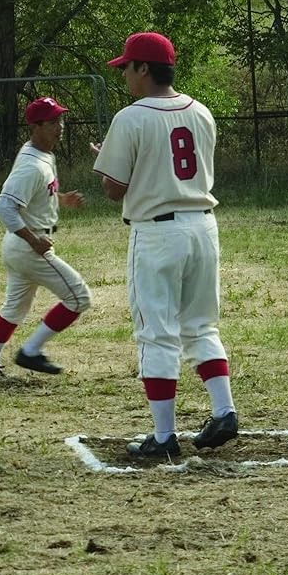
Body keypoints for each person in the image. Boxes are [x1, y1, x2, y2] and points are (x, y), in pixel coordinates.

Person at [93, 32, 238, 459]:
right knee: (200, 325)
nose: (124, 76)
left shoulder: (131, 117)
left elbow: (114, 189)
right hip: (203, 227)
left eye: (127, 68)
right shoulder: (202, 112)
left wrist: (109, 158)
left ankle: (163, 436)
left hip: (157, 232)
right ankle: (224, 409)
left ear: (144, 68)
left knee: (156, 333)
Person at [0, 97, 92, 380]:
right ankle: (31, 350)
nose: (60, 126)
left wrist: (61, 199)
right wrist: (33, 240)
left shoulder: (42, 154)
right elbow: (3, 207)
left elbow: (39, 192)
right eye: (52, 122)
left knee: (14, 309)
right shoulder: (31, 164)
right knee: (79, 297)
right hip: (29, 247)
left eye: (60, 120)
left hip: (19, 247)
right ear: (35, 126)